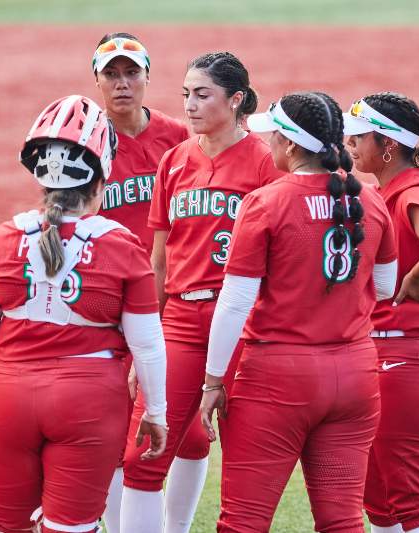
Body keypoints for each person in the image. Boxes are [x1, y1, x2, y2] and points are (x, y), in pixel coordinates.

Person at [0, 94, 168, 533]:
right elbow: (148, 344)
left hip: (10, 397)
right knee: (72, 527)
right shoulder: (122, 246)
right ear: (101, 177)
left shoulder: (1, 239)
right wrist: (155, 412)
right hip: (89, 400)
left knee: (3, 526)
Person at [200, 91, 399, 532]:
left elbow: (234, 302)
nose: (266, 143)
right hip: (354, 376)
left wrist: (213, 380)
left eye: (272, 136)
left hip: (278, 378)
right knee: (343, 520)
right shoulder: (370, 200)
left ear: (290, 145)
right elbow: (384, 287)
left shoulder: (267, 202)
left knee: (244, 522)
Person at [120, 52, 283, 533]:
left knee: (243, 466)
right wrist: (145, 338)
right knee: (143, 456)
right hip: (181, 325)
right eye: (186, 94)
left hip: (245, 326)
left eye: (203, 94)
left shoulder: (265, 161)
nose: (190, 105)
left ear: (236, 100)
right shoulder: (174, 161)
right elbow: (160, 258)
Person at [91, 32, 208, 533]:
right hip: (107, 303)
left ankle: (174, 526)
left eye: (130, 72)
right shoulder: (87, 140)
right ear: (97, 80)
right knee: (118, 427)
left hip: (169, 299)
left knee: (193, 432)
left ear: (146, 76)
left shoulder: (177, 135)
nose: (122, 84)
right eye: (111, 74)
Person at [343, 93, 419, 533]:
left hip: (410, 360)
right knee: (377, 496)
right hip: (387, 358)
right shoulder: (385, 191)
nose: (349, 143)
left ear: (387, 145)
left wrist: (415, 276)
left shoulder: (413, 189)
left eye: (358, 136)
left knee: (411, 496)